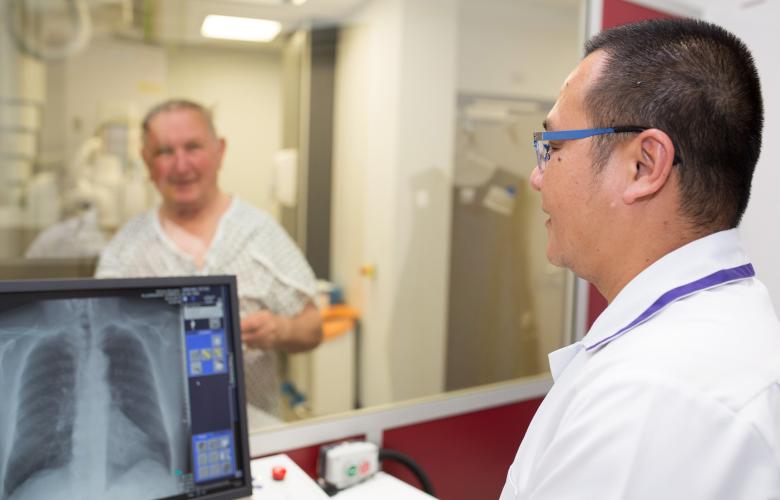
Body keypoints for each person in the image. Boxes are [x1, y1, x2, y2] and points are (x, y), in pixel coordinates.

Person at [501, 18, 780, 499]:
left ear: (644, 165)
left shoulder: (653, 397)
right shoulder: (719, 327)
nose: (536, 178)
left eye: (553, 147)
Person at [95, 99, 322, 419]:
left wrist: (280, 330)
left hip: (255, 437)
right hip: (157, 440)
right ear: (146, 161)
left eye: (193, 147)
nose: (181, 165)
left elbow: (313, 328)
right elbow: (96, 346)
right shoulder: (126, 250)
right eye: (164, 152)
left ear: (220, 150)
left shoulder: (259, 233)